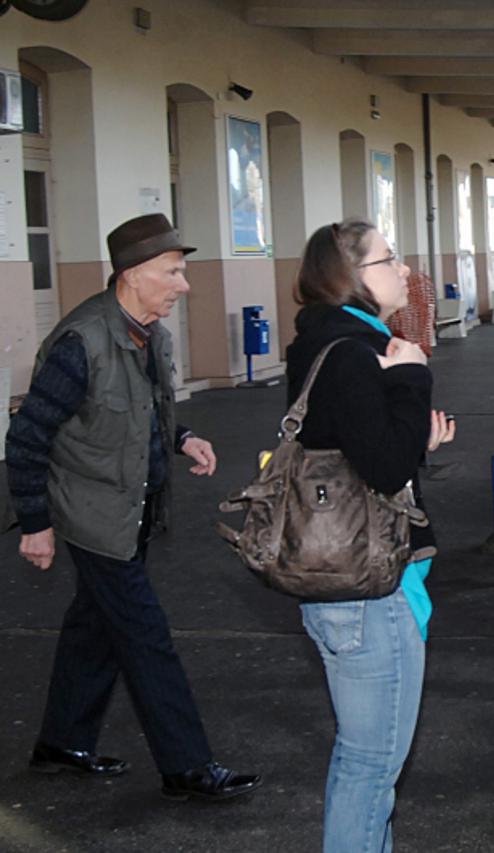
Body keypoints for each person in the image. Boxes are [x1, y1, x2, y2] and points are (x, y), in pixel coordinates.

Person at [4, 213, 260, 801]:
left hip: (133, 509)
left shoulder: (148, 335)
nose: (184, 284)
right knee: (146, 636)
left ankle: (60, 743)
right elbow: (27, 438)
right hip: (96, 516)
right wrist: (35, 524)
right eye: (173, 272)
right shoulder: (82, 341)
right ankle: (187, 766)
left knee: (94, 627)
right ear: (133, 274)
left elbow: (132, 412)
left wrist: (183, 435)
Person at [285, 218, 455, 852]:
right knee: (371, 764)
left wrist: (415, 432)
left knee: (366, 760)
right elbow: (382, 468)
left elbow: (358, 449)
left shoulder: (324, 344)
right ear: (348, 276)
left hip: (340, 580)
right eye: (389, 260)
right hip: (365, 588)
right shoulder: (357, 354)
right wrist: (411, 377)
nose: (405, 272)